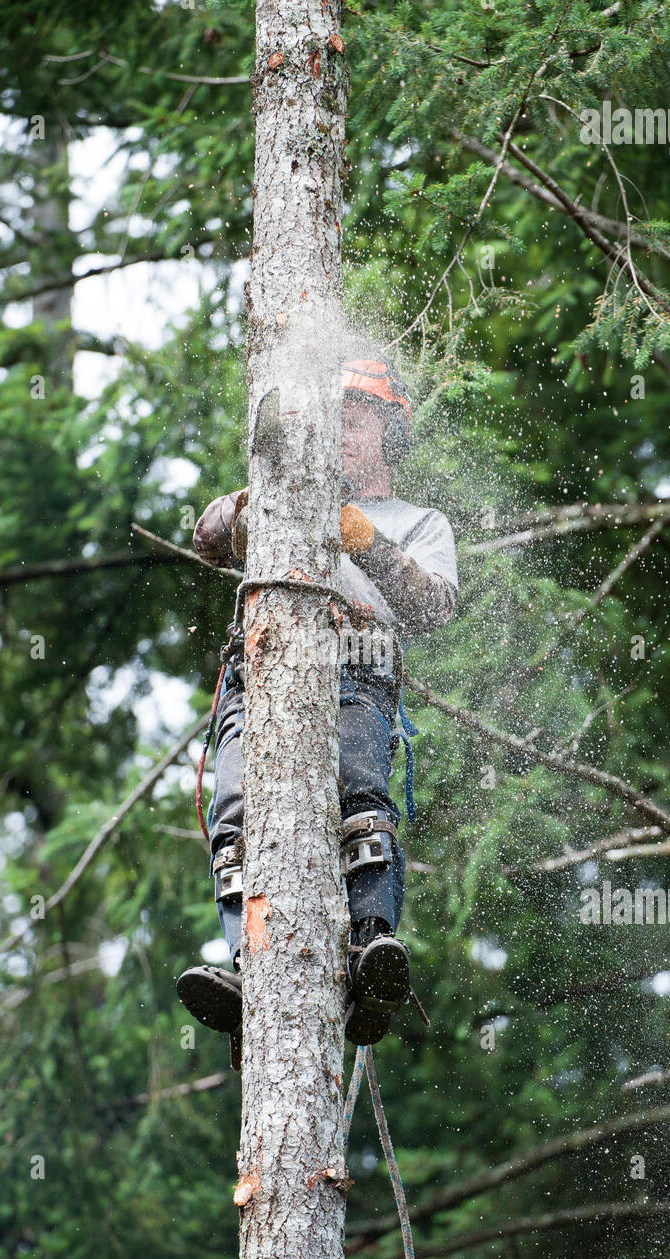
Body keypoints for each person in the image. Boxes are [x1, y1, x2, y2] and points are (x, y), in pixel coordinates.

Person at [176, 357, 458, 1058]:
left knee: (360, 792)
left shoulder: (419, 522)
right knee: (235, 809)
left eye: (354, 421)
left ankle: (372, 948)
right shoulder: (283, 505)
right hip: (261, 669)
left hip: (358, 666)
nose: (340, 436)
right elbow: (208, 537)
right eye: (331, 422)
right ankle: (251, 962)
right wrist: (263, 492)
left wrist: (363, 535)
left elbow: (435, 606)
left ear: (391, 435)